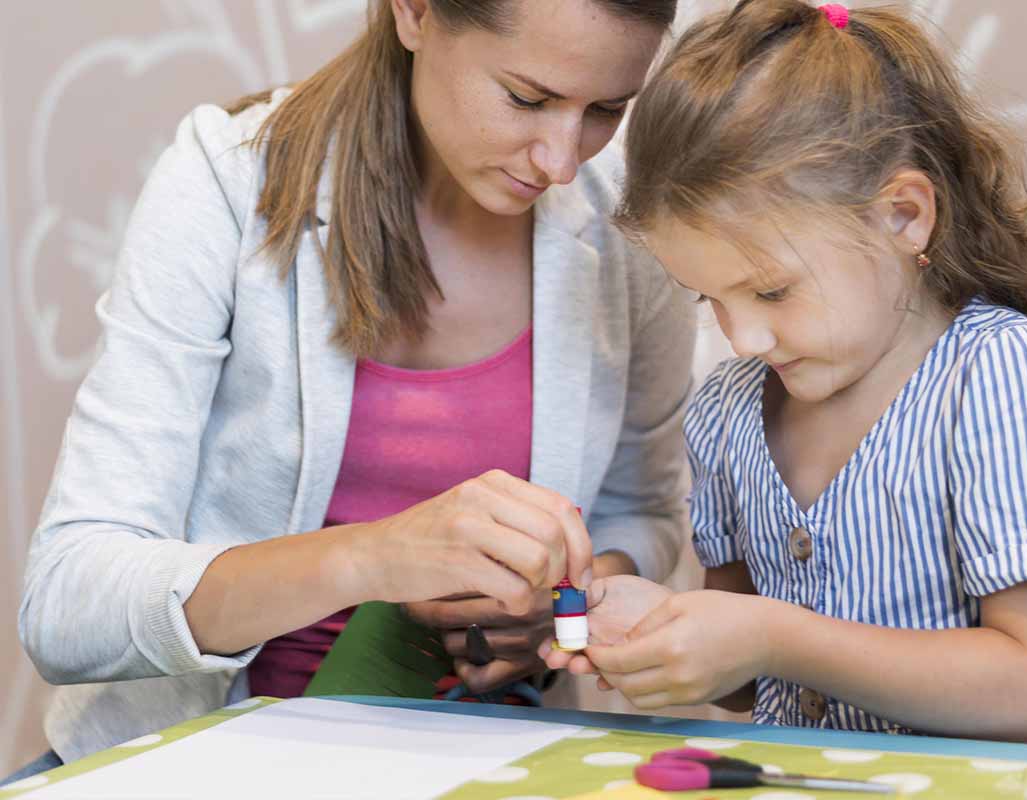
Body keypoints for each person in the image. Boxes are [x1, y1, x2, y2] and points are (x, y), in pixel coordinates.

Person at [14, 0, 693, 775]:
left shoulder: (624, 226)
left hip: (486, 763)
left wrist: (569, 601)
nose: (561, 161)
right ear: (413, 12)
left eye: (607, 109)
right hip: (197, 766)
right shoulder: (229, 182)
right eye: (526, 99)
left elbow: (642, 515)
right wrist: (377, 557)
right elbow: (69, 604)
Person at [543, 0, 1027, 751]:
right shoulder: (728, 412)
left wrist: (771, 636)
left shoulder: (1010, 377)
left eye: (770, 290)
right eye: (709, 297)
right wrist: (659, 628)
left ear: (902, 215)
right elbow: (748, 682)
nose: (745, 336)